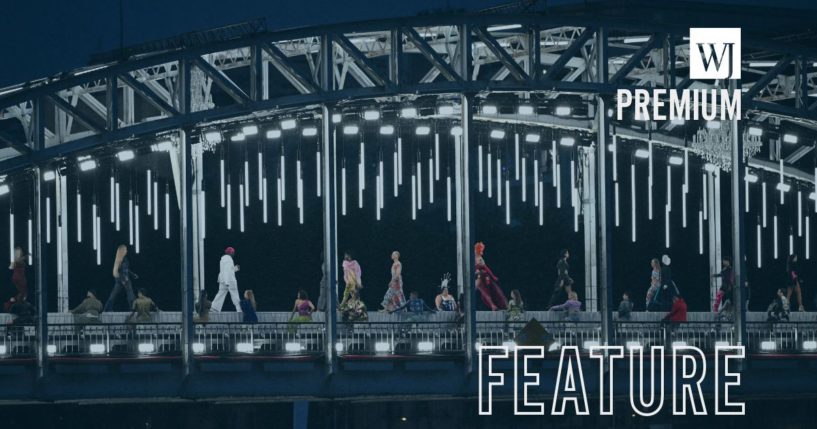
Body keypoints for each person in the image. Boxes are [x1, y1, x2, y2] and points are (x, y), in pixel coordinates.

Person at [474, 242, 508, 311]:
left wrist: (493, 276)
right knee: (484, 292)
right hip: (480, 276)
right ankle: (493, 305)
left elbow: (486, 268)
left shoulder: (479, 258)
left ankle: (494, 305)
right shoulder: (474, 258)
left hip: (483, 276)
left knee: (486, 291)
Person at [104, 245, 138, 312]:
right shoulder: (124, 259)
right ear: (122, 251)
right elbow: (124, 270)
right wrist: (125, 280)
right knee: (130, 293)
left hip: (119, 279)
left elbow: (125, 270)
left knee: (114, 294)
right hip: (125, 279)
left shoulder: (118, 259)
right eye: (125, 249)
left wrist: (133, 275)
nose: (126, 251)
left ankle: (107, 308)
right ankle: (133, 308)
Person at [212, 247, 241, 312]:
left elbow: (228, 270)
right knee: (235, 295)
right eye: (233, 253)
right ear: (231, 253)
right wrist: (227, 281)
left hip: (223, 280)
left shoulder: (223, 260)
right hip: (230, 281)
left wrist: (235, 268)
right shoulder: (229, 260)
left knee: (221, 294)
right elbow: (227, 271)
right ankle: (239, 310)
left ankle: (214, 308)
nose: (234, 254)